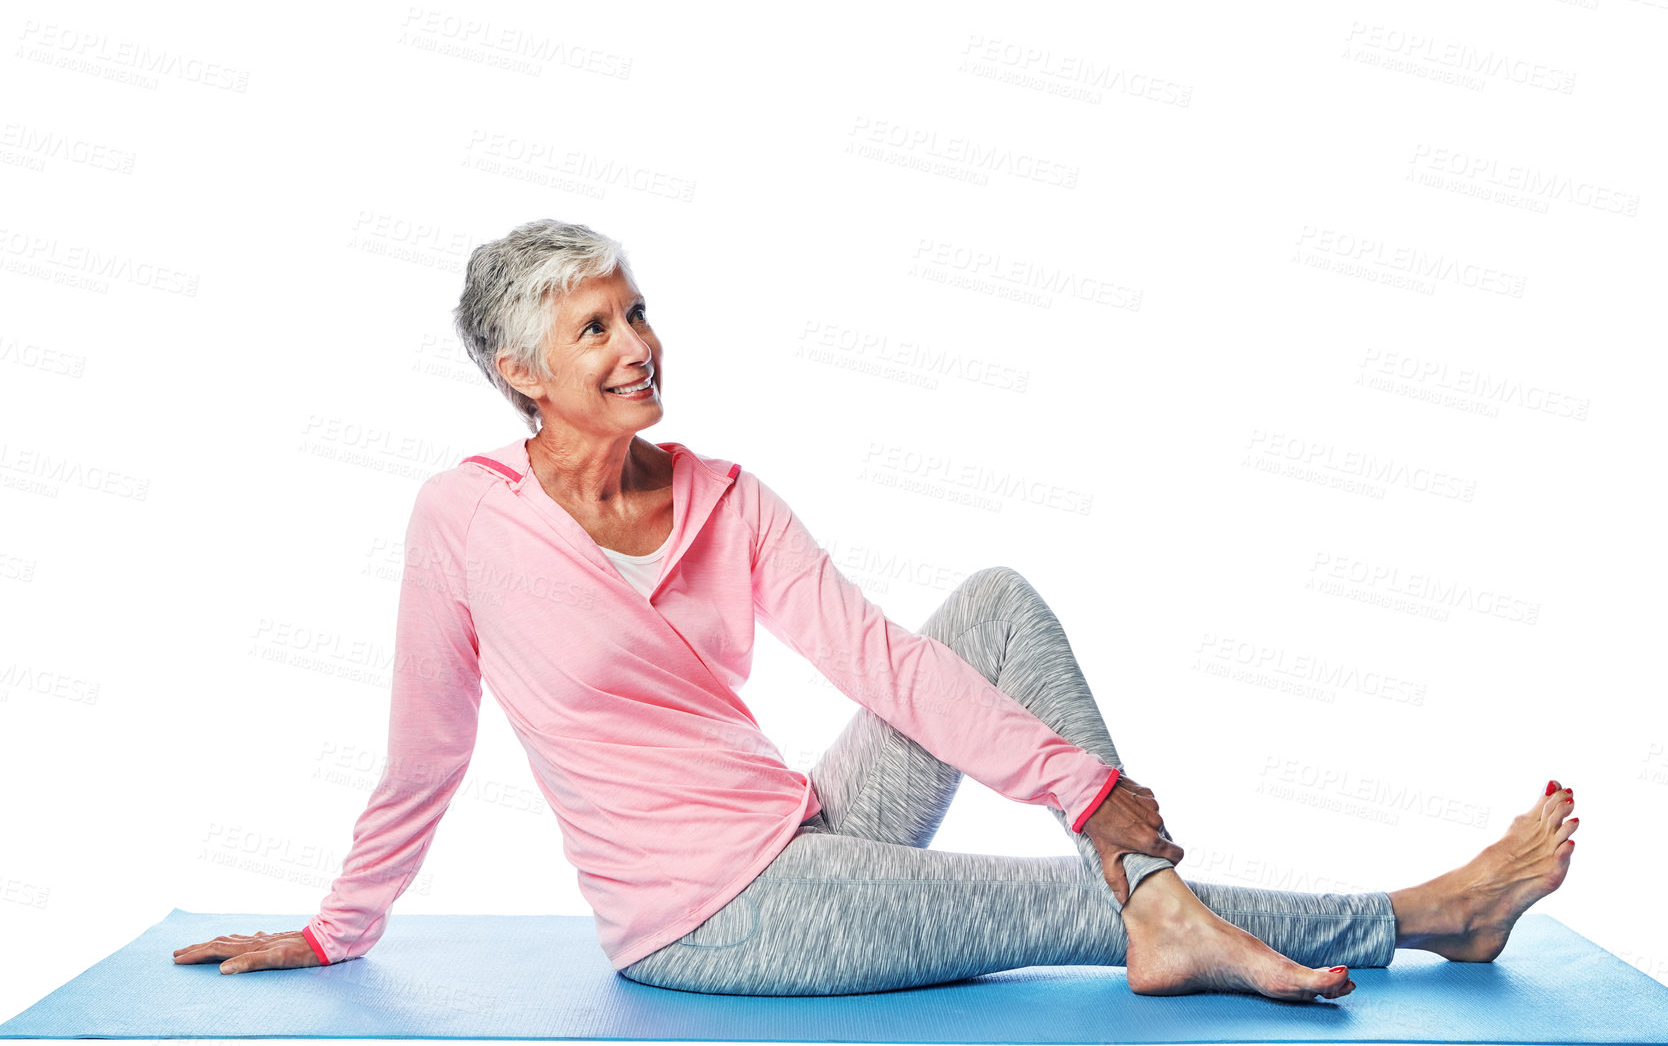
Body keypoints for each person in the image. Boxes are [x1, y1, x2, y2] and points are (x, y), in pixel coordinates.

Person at [173, 220, 1579, 1000]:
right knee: (1052, 908)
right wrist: (339, 925)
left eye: (637, 310)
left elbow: (882, 663)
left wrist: (1081, 787)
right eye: (594, 328)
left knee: (994, 607)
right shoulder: (463, 519)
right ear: (518, 369)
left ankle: (1164, 903)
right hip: (704, 915)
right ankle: (1424, 913)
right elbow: (427, 751)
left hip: (801, 830)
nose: (637, 343)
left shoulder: (723, 494)